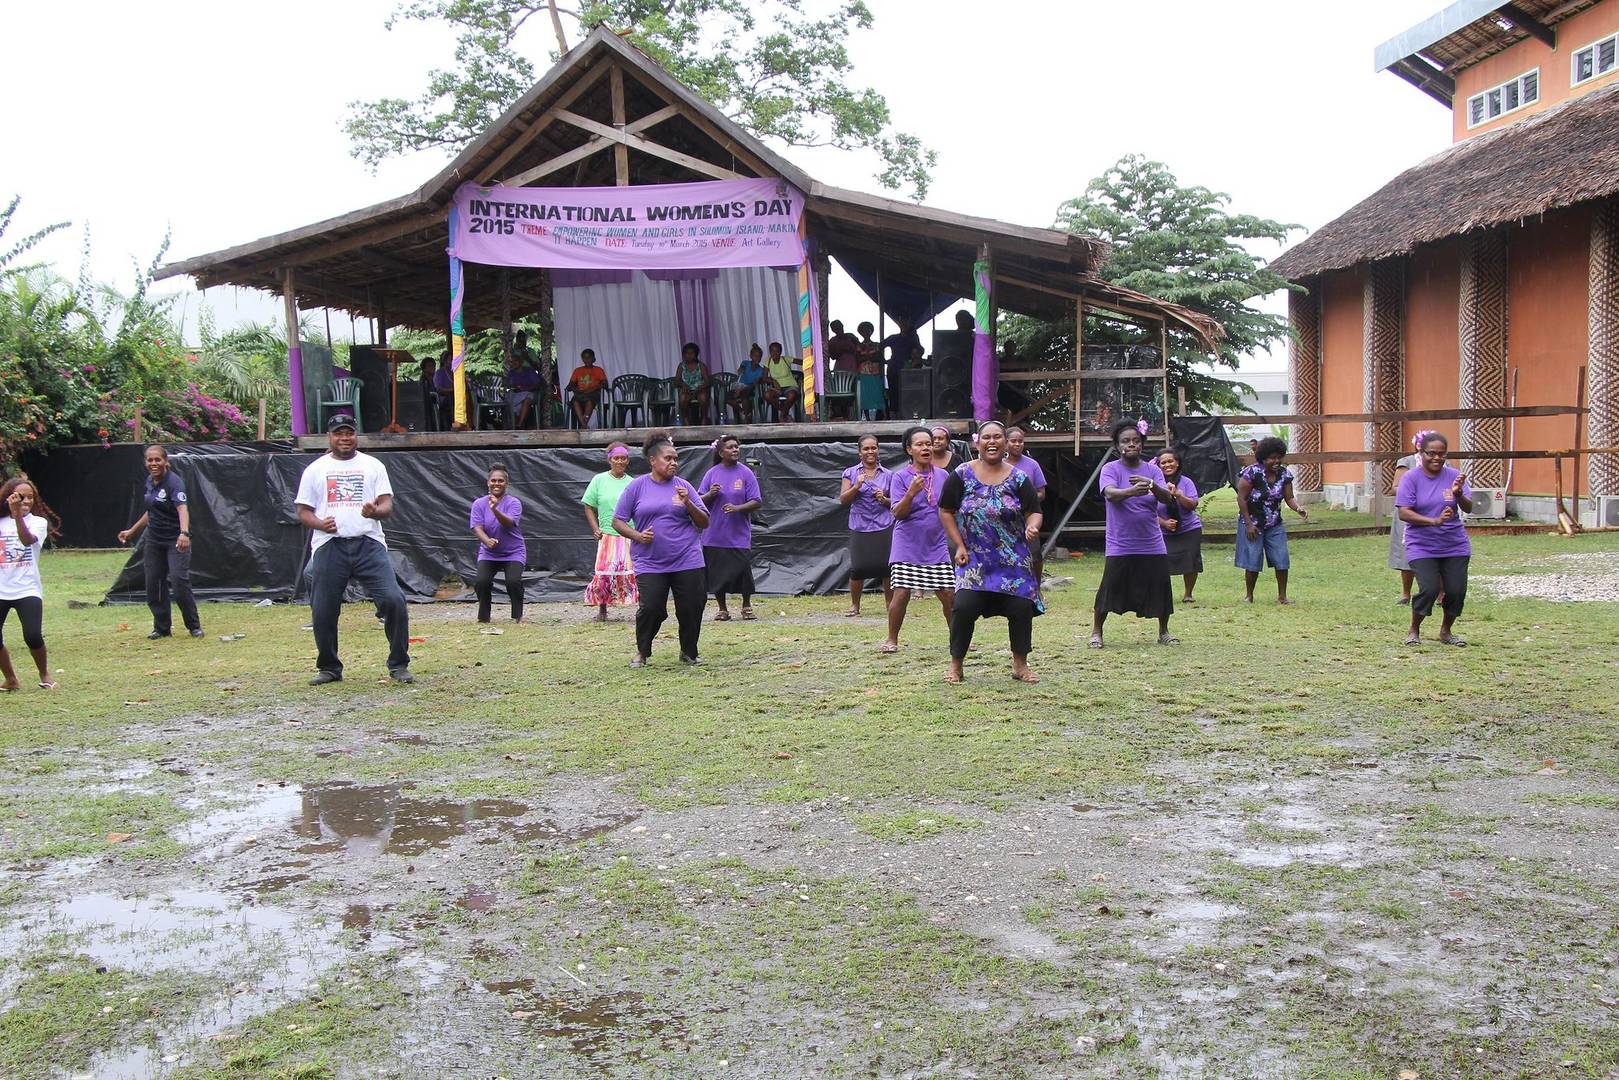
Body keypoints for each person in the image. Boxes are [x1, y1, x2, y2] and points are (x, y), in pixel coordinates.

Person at [295, 413, 412, 685]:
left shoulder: (373, 466)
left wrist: (375, 511)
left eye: (349, 433)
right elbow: (303, 511)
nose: (344, 438)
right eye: (339, 433)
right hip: (329, 546)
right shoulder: (315, 470)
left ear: (355, 435)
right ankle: (329, 667)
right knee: (323, 609)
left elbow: (387, 505)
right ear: (330, 437)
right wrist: (320, 524)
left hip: (368, 544)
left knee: (393, 600)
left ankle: (399, 664)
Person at [938, 421, 1043, 683]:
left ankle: (1020, 665)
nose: (992, 442)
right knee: (963, 608)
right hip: (974, 559)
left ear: (1006, 444)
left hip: (1013, 560)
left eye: (998, 437)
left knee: (1020, 608)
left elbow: (1035, 512)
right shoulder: (961, 475)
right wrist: (959, 545)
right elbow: (945, 510)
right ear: (977, 443)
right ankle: (955, 666)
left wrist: (1032, 527)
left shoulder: (1019, 478)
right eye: (986, 437)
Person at [612, 431, 710, 667]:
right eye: (668, 458)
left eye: (675, 459)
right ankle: (642, 652)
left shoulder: (683, 486)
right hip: (650, 561)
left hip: (687, 558)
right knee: (652, 608)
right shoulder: (637, 487)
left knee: (691, 606)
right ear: (653, 461)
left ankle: (689, 652)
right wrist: (637, 536)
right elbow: (618, 521)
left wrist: (688, 502)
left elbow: (704, 521)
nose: (674, 463)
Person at [1091, 418, 1177, 648]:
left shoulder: (1153, 471)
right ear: (1117, 445)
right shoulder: (1110, 469)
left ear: (1142, 444)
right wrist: (1131, 490)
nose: (1131, 445)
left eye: (1136, 441)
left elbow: (1168, 498)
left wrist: (1152, 485)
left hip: (1151, 542)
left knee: (1160, 586)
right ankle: (1096, 632)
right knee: (1110, 587)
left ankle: (1164, 632)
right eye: (1125, 441)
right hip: (1120, 543)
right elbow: (1110, 493)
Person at [117, 445, 203, 640]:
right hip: (154, 540)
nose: (153, 463)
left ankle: (194, 626)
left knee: (179, 582)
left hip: (175, 540)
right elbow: (151, 511)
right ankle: (162, 628)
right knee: (154, 583)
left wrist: (184, 533)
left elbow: (182, 509)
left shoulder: (174, 483)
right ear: (145, 462)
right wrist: (132, 531)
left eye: (157, 460)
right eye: (150, 460)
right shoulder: (149, 481)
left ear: (166, 462)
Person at [881, 426, 955, 653]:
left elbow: (950, 508)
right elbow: (898, 513)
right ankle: (892, 639)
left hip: (936, 542)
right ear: (909, 449)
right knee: (901, 592)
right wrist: (911, 492)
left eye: (929, 443)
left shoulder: (943, 476)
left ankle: (958, 638)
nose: (926, 448)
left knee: (948, 593)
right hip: (907, 542)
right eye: (920, 444)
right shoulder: (899, 477)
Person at [1397, 430, 1473, 646]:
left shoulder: (1453, 476)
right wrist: (1433, 521)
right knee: (1429, 589)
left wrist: (1458, 494)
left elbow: (1470, 506)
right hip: (1421, 545)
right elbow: (1404, 512)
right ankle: (1414, 630)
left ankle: (1446, 632)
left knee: (1456, 591)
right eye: (1432, 453)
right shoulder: (1411, 478)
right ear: (1421, 453)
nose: (1437, 458)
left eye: (1442, 454)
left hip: (1454, 544)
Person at [1236, 435, 1309, 604]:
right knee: (1253, 559)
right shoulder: (1251, 472)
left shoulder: (1285, 474)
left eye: (1279, 457)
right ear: (1263, 458)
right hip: (1252, 522)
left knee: (1281, 558)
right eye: (1272, 458)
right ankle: (1249, 595)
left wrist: (1298, 508)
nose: (1276, 461)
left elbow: (1289, 497)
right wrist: (1248, 524)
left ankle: (1282, 596)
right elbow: (1242, 498)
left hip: (1274, 523)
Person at [699, 435, 762, 621]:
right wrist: (710, 494)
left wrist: (738, 508)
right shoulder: (712, 473)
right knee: (717, 573)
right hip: (715, 534)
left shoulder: (745, 473)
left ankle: (746, 605)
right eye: (731, 447)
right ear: (721, 452)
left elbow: (757, 501)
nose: (735, 450)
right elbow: (698, 500)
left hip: (738, 534)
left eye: (737, 447)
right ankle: (722, 608)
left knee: (742, 570)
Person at [0, 477, 55, 690]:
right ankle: (11, 679)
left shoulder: (38, 523)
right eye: (21, 497)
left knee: (32, 634)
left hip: (27, 589)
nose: (26, 501)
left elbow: (26, 540)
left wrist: (17, 517)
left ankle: (44, 674)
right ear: (8, 497)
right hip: (1, 589)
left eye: (30, 497)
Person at [580, 443, 638, 621]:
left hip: (629, 533)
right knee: (604, 572)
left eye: (623, 458)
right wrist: (595, 528)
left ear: (627, 460)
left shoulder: (633, 483)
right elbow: (588, 506)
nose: (619, 461)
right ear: (609, 460)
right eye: (616, 458)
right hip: (607, 534)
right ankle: (602, 610)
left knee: (633, 571)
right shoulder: (599, 480)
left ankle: (640, 608)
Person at [839, 434, 892, 617]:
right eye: (866, 448)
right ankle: (855, 605)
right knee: (858, 567)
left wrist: (884, 499)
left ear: (878, 450)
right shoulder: (850, 473)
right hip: (859, 525)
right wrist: (856, 487)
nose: (870, 452)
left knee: (887, 567)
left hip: (884, 524)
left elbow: (897, 503)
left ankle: (890, 604)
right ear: (859, 452)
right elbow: (843, 500)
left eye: (874, 448)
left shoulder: (889, 475)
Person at [470, 464, 525, 623]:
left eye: (500, 481)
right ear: (488, 482)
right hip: (489, 552)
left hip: (513, 552)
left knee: (513, 582)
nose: (496, 483)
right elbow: (477, 527)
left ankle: (517, 615)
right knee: (482, 582)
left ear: (506, 484)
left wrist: (495, 509)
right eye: (493, 480)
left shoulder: (514, 503)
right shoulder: (479, 504)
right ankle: (484, 617)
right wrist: (487, 541)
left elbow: (508, 524)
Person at [1156, 447, 1203, 603]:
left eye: (1171, 461)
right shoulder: (1154, 484)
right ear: (1158, 465)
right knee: (1160, 564)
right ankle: (1162, 594)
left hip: (1189, 528)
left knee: (1191, 561)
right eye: (1163, 462)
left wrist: (1179, 495)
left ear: (1177, 463)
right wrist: (1163, 523)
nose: (1167, 465)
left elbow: (1192, 505)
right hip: (1163, 531)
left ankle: (1188, 594)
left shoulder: (1186, 482)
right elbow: (1145, 512)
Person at [1007, 425, 1048, 592]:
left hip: (1029, 517)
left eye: (1021, 441)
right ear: (1005, 442)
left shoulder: (1032, 465)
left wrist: (1026, 501)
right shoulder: (999, 464)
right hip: (1006, 519)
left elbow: (1041, 493)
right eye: (1013, 441)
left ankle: (1036, 589)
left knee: (1035, 555)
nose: (1017, 444)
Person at [1389, 443, 1419, 604]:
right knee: (1406, 552)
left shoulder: (1444, 463)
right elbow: (1394, 488)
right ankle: (1406, 594)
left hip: (1433, 512)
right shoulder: (1406, 462)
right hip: (1409, 511)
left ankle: (1440, 593)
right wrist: (1416, 490)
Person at [567, 348, 607, 429]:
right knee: (575, 401)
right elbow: (569, 386)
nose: (587, 360)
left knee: (589, 401)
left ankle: (583, 425)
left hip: (593, 394)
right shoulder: (577, 370)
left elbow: (605, 384)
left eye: (589, 357)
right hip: (580, 394)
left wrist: (594, 388)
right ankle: (584, 425)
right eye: (584, 358)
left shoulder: (598, 370)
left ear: (593, 358)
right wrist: (576, 389)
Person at [761, 341, 800, 422]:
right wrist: (773, 381)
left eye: (777, 351)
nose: (774, 353)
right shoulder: (768, 361)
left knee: (792, 395)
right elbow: (764, 378)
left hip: (790, 386)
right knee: (767, 395)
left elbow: (802, 362)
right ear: (770, 352)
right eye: (772, 351)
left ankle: (783, 415)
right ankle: (783, 411)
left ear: (780, 352)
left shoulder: (786, 359)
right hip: (777, 388)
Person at [729, 344, 767, 423]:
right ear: (751, 356)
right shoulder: (745, 363)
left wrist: (741, 389)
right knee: (727, 397)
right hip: (739, 386)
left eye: (759, 356)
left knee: (744, 395)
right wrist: (741, 369)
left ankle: (746, 417)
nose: (757, 358)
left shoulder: (761, 370)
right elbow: (741, 369)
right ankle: (743, 412)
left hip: (750, 388)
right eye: (755, 356)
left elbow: (754, 384)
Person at [675, 342, 710, 425]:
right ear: (684, 354)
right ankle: (686, 419)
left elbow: (707, 381)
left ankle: (704, 418)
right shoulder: (681, 366)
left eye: (692, 353)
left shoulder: (701, 365)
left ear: (696, 354)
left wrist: (700, 387)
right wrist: (683, 384)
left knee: (703, 398)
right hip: (687, 390)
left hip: (700, 389)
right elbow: (676, 381)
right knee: (683, 399)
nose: (689, 355)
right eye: (687, 353)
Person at [504, 351, 541, 429]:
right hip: (516, 394)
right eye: (511, 362)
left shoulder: (529, 371)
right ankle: (516, 423)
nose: (513, 363)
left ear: (521, 362)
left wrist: (525, 389)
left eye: (515, 361)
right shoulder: (511, 373)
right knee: (515, 399)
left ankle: (519, 425)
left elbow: (537, 385)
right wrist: (514, 388)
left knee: (527, 399)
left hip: (530, 393)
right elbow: (508, 385)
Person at [857, 343, 886, 420]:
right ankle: (866, 418)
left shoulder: (876, 345)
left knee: (878, 396)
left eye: (868, 330)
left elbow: (881, 359)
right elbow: (857, 359)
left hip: (875, 374)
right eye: (863, 330)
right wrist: (870, 357)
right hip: (863, 374)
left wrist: (866, 357)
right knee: (864, 397)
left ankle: (883, 417)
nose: (866, 332)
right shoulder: (859, 346)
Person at [431, 352, 454, 430]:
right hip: (443, 398)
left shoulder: (455, 372)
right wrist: (452, 390)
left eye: (452, 360)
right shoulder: (439, 373)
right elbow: (439, 389)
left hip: (453, 396)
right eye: (449, 360)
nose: (451, 362)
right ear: (444, 361)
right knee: (450, 400)